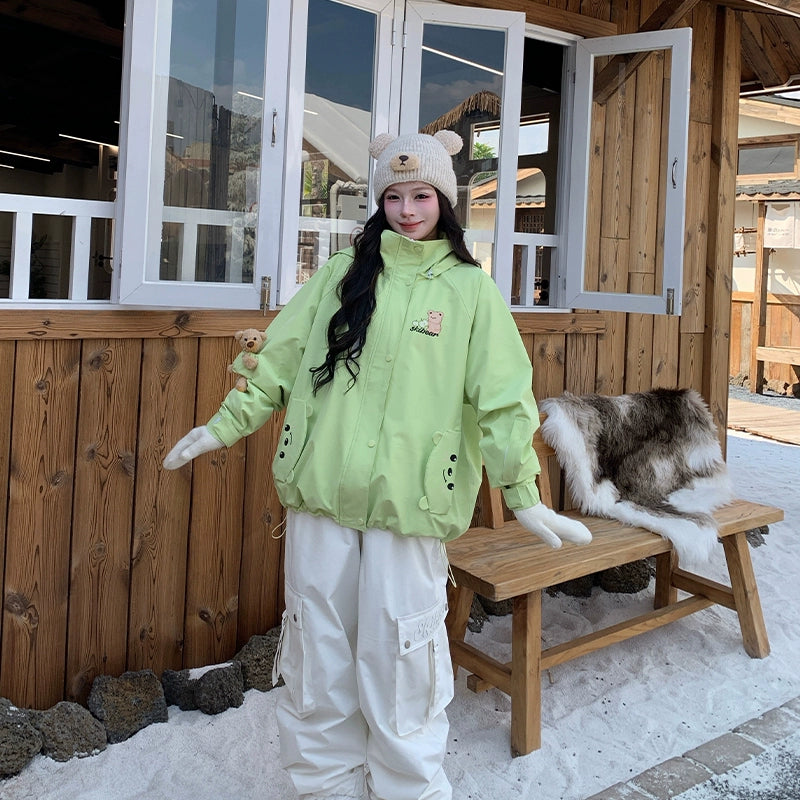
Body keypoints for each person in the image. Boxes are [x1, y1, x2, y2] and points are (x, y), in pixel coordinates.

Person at [163, 130, 592, 800]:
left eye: (421, 194)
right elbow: (276, 360)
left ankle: (407, 789)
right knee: (318, 651)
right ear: (379, 202)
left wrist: (523, 490)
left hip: (409, 506)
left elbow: (503, 400)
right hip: (321, 498)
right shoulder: (341, 275)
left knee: (402, 657)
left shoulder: (469, 293)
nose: (407, 207)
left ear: (443, 201)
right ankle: (324, 785)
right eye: (394, 196)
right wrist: (223, 425)